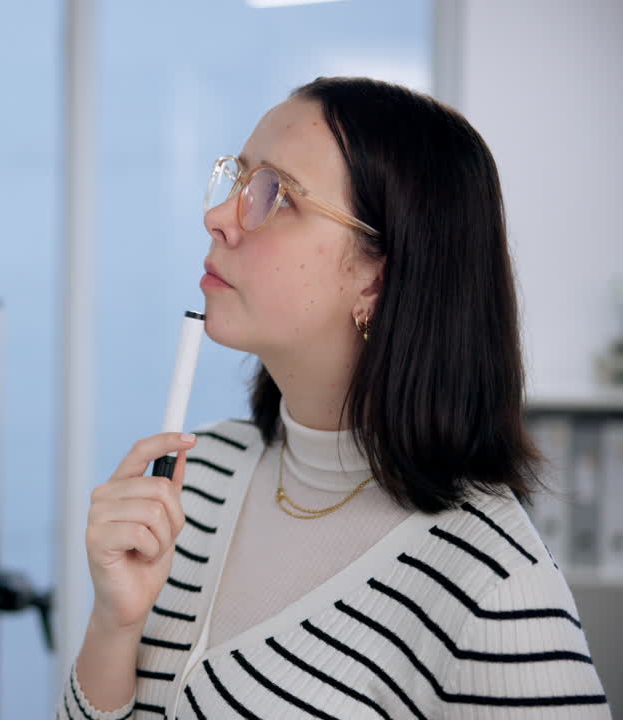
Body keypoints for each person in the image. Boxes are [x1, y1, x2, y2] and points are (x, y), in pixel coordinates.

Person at [55, 77, 610, 719]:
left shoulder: (491, 586)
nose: (217, 217)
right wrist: (114, 624)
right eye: (237, 179)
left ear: (380, 278)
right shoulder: (193, 477)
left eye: (276, 196)